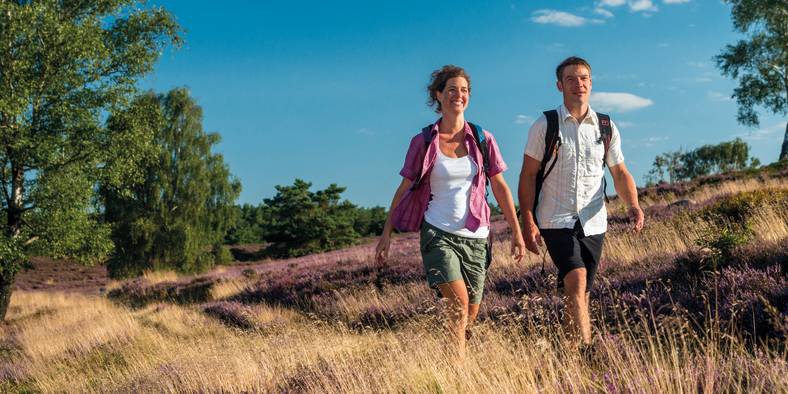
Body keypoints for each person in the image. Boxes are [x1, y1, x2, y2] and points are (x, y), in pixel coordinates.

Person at [376, 65, 525, 361]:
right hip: (438, 232)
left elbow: (500, 188)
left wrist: (517, 231)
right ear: (439, 95)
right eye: (452, 90)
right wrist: (386, 233)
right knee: (458, 303)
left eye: (464, 90)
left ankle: (455, 362)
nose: (459, 95)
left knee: (469, 315)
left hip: (477, 237)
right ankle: (457, 371)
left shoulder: (483, 140)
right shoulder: (424, 141)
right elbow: (404, 188)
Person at [518, 56, 644, 347]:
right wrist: (527, 218)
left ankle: (570, 351)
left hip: (594, 221)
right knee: (576, 278)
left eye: (584, 78)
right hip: (554, 218)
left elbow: (619, 171)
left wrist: (633, 205)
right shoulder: (545, 125)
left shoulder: (605, 126)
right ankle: (587, 352)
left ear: (591, 82)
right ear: (560, 85)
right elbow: (528, 175)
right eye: (572, 79)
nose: (579, 84)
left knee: (580, 291)